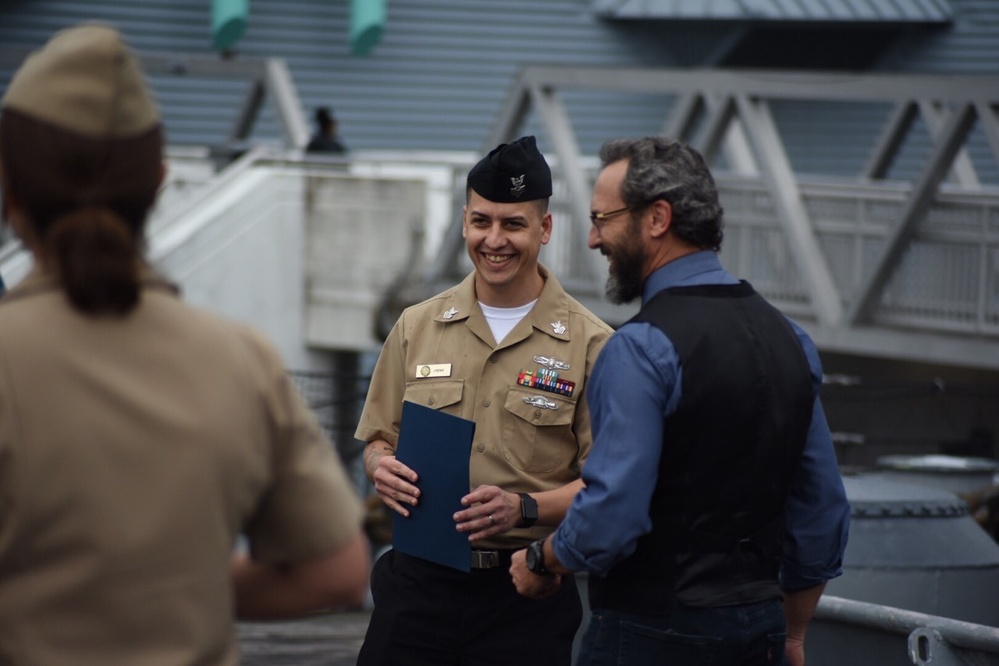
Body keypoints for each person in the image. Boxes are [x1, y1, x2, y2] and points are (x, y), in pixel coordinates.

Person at [0, 23, 369, 665]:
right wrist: (176, 593)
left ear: (9, 186)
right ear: (159, 182)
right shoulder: (239, 359)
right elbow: (334, 570)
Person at [510, 136, 851, 666]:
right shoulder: (790, 339)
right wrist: (793, 634)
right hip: (758, 627)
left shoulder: (640, 348)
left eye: (603, 219)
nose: (595, 239)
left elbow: (612, 517)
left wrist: (543, 557)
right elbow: (823, 507)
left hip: (652, 630)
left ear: (657, 218)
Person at [355, 135, 613, 665]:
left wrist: (522, 506)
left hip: (524, 593)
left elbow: (608, 482)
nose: (493, 240)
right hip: (418, 588)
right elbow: (380, 438)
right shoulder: (417, 326)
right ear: (466, 221)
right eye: (480, 221)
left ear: (544, 228)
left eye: (512, 224)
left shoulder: (591, 345)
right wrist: (380, 466)